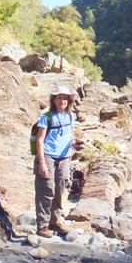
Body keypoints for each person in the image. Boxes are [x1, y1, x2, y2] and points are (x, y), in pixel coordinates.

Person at [34, 86, 82, 238]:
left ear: (69, 101)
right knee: (46, 190)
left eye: (65, 98)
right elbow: (40, 141)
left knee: (61, 189)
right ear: (53, 100)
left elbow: (68, 135)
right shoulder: (46, 118)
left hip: (64, 157)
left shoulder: (69, 116)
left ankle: (55, 221)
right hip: (48, 156)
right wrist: (42, 163)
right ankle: (42, 226)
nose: (62, 101)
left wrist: (75, 142)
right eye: (59, 98)